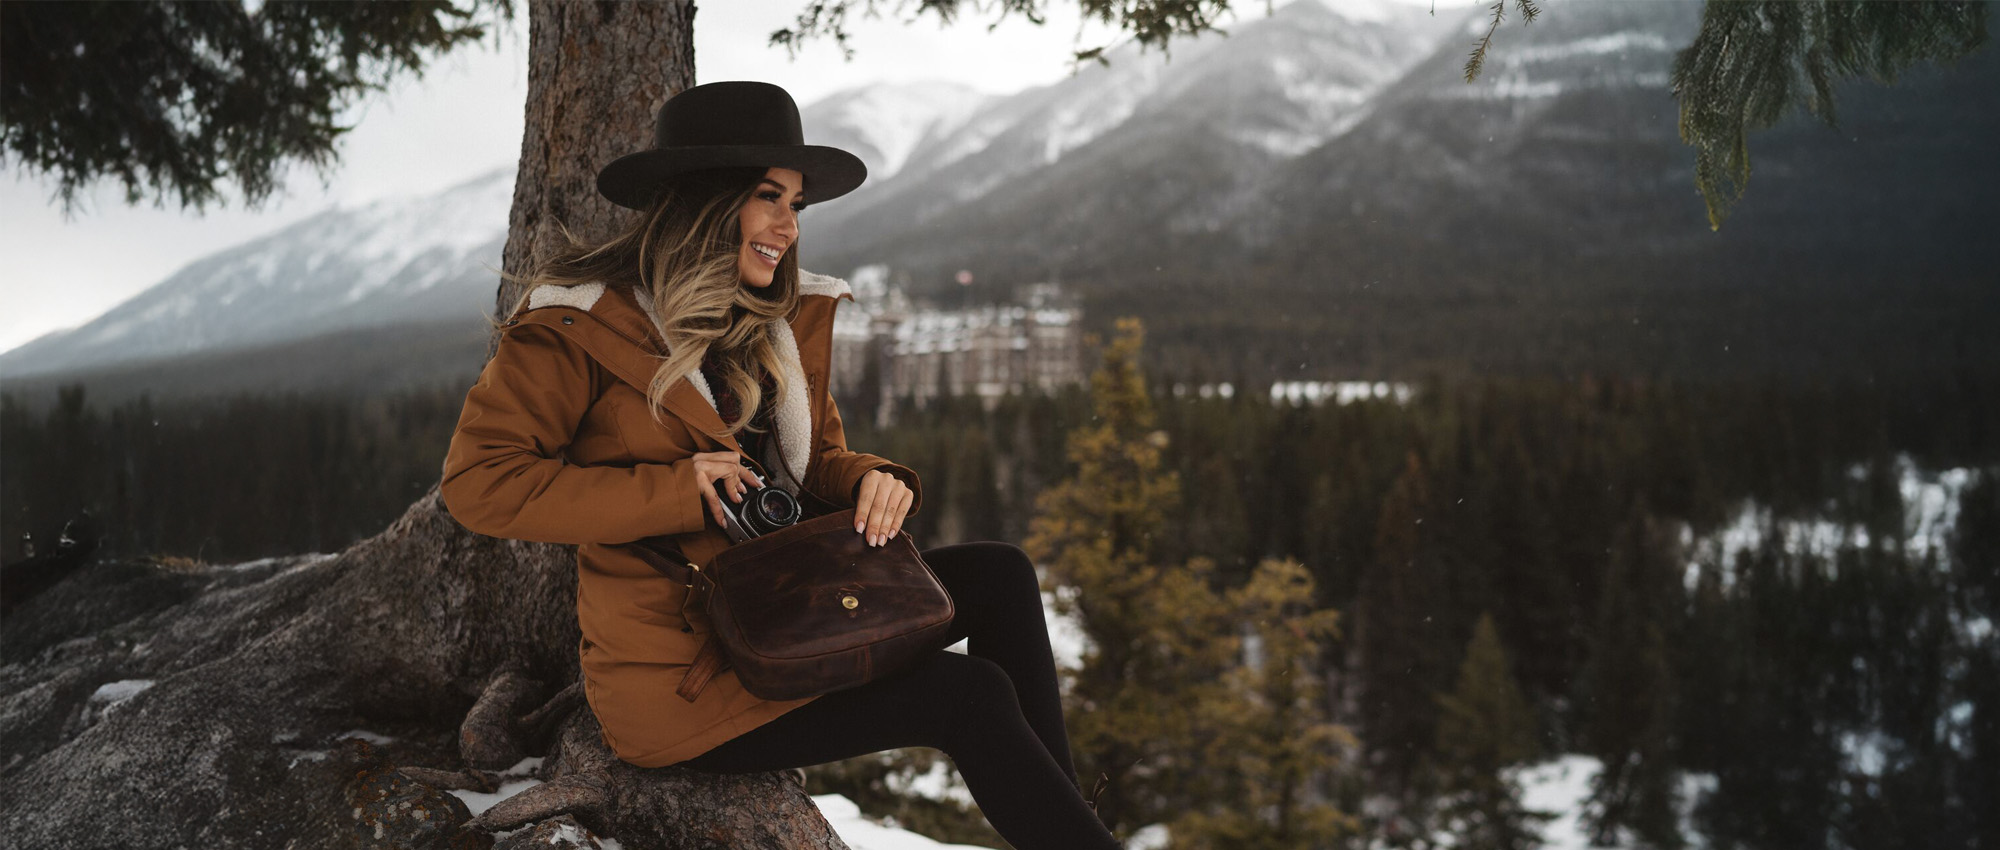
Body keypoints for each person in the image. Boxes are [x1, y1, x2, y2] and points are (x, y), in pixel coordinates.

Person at [439, 81, 1121, 850]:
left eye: (796, 204)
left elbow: (818, 456)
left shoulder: (777, 323)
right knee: (969, 695)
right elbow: (478, 484)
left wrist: (869, 477)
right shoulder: (580, 326)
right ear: (703, 197)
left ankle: (1076, 827)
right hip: (687, 674)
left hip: (789, 606)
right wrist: (675, 491)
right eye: (769, 197)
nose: (788, 226)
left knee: (1001, 574)